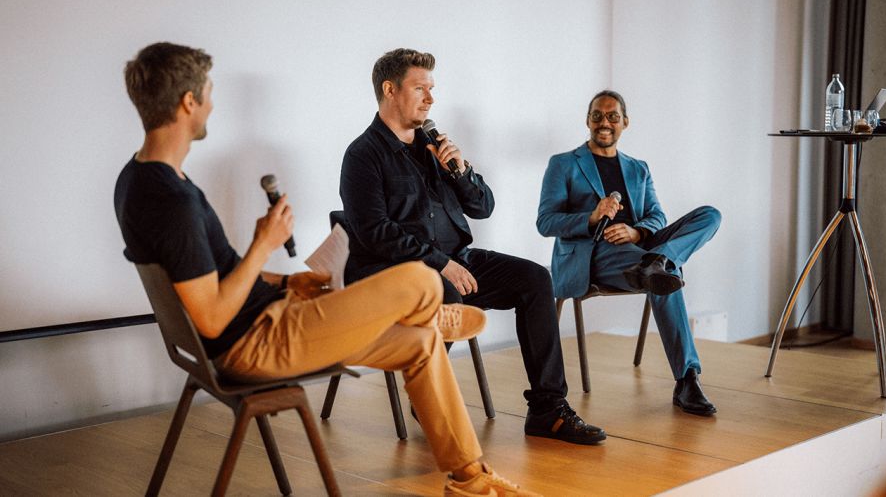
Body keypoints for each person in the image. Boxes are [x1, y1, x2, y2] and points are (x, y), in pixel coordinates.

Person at [114, 42, 539, 496]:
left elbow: (209, 278)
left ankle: (470, 479)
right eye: (209, 93)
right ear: (188, 102)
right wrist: (263, 245)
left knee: (420, 345)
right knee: (418, 277)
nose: (213, 104)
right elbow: (212, 317)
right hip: (256, 343)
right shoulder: (172, 201)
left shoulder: (141, 178)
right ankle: (431, 310)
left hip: (270, 317)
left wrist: (287, 280)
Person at [340, 48, 605, 445]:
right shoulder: (363, 156)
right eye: (420, 88)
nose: (431, 98)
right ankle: (427, 396)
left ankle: (548, 409)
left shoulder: (434, 147)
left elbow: (483, 207)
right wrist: (439, 263)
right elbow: (374, 231)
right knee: (443, 289)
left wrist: (460, 171)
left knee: (534, 279)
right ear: (390, 90)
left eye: (432, 89)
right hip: (395, 273)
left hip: (455, 262)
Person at [536, 90, 721, 416]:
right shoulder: (564, 164)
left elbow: (657, 216)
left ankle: (659, 259)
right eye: (597, 115)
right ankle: (687, 378)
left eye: (612, 116)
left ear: (625, 122)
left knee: (710, 215)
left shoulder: (638, 168)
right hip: (594, 255)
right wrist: (592, 217)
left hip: (639, 247)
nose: (604, 122)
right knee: (665, 274)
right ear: (587, 120)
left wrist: (637, 232)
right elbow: (546, 221)